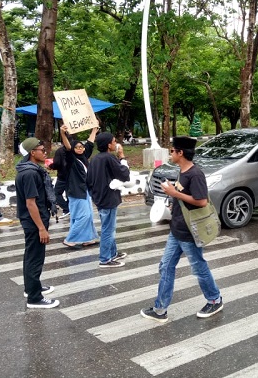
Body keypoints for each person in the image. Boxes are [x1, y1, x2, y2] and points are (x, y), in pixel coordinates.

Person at [141, 136, 223, 323]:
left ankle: (214, 299)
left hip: (189, 232)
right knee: (166, 266)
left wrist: (175, 193)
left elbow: (201, 201)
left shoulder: (195, 174)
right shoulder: (182, 171)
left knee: (198, 267)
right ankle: (160, 309)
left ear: (181, 153)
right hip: (176, 229)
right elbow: (182, 195)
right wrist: (173, 201)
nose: (170, 153)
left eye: (172, 151)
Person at [15, 137, 59, 309]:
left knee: (31, 255)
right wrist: (41, 228)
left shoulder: (29, 170)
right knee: (35, 258)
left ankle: (32, 287)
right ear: (33, 152)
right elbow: (30, 203)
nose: (45, 152)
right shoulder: (31, 173)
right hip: (34, 222)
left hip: (33, 220)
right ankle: (34, 298)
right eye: (42, 149)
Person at [86, 132, 131, 268]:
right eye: (113, 141)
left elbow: (88, 181)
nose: (115, 143)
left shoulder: (95, 159)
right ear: (108, 144)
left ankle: (113, 252)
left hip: (100, 197)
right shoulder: (109, 158)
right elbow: (124, 173)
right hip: (108, 198)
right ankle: (105, 258)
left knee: (109, 226)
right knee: (108, 229)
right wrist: (122, 156)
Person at [60, 124, 99, 248]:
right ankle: (70, 238)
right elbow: (67, 147)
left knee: (89, 215)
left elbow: (90, 143)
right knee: (83, 216)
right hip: (76, 191)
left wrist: (94, 130)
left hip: (85, 190)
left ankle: (89, 237)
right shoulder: (71, 159)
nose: (80, 149)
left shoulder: (83, 157)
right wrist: (62, 134)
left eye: (81, 147)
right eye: (76, 147)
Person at [48, 142, 70, 219]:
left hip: (63, 176)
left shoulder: (60, 151)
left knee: (56, 193)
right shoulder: (75, 150)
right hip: (73, 177)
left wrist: (50, 166)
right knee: (69, 194)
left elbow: (57, 163)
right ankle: (70, 209)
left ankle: (67, 209)